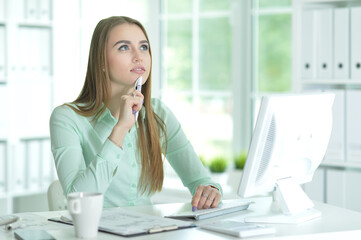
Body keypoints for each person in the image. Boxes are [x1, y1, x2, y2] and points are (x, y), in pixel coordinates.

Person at [49, 16, 222, 211]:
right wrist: (121, 128)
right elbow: (79, 201)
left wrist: (210, 190)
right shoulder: (66, 118)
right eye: (124, 47)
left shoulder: (158, 113)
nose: (138, 56)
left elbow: (200, 180)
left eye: (144, 47)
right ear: (101, 61)